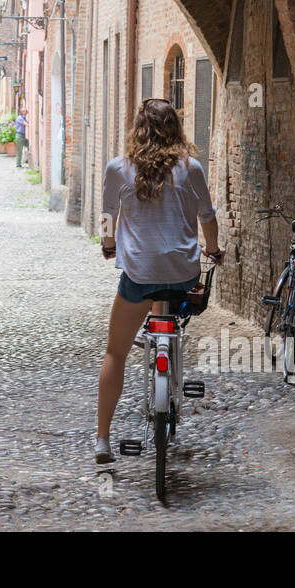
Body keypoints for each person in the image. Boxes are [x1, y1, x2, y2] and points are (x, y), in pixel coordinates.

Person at [95, 97, 223, 464]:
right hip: (183, 274)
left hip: (138, 275)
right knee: (169, 292)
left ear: (138, 130)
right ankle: (167, 351)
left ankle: (103, 439)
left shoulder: (118, 169)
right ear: (175, 130)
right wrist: (213, 250)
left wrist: (108, 246)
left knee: (114, 353)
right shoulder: (191, 168)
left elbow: (108, 218)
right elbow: (208, 219)